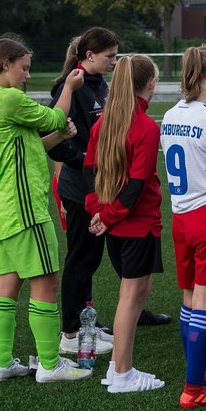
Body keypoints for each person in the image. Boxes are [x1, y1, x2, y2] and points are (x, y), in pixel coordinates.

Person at [0, 35, 93, 384]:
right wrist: (69, 86)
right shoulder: (9, 99)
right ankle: (51, 364)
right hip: (23, 209)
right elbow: (54, 117)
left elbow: (28, 147)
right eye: (23, 69)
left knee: (7, 282)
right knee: (47, 281)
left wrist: (60, 139)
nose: (27, 76)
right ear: (5, 65)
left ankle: (2, 362)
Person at [83, 54, 166, 393]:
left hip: (117, 223)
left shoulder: (103, 124)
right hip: (135, 223)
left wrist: (99, 213)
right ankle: (122, 372)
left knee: (135, 293)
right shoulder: (145, 127)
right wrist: (106, 214)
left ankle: (120, 367)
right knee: (131, 296)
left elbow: (90, 173)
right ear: (150, 84)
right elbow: (135, 186)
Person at [160, 46, 206, 407]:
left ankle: (196, 367)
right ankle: (193, 389)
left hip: (181, 216)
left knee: (190, 297)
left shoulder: (171, 114)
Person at [46, 27, 124, 358]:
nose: (113, 62)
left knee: (90, 260)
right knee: (80, 260)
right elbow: (56, 141)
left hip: (100, 187)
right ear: (89, 56)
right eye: (109, 56)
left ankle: (84, 326)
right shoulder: (71, 87)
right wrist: (87, 164)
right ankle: (70, 333)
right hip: (81, 190)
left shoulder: (98, 85)